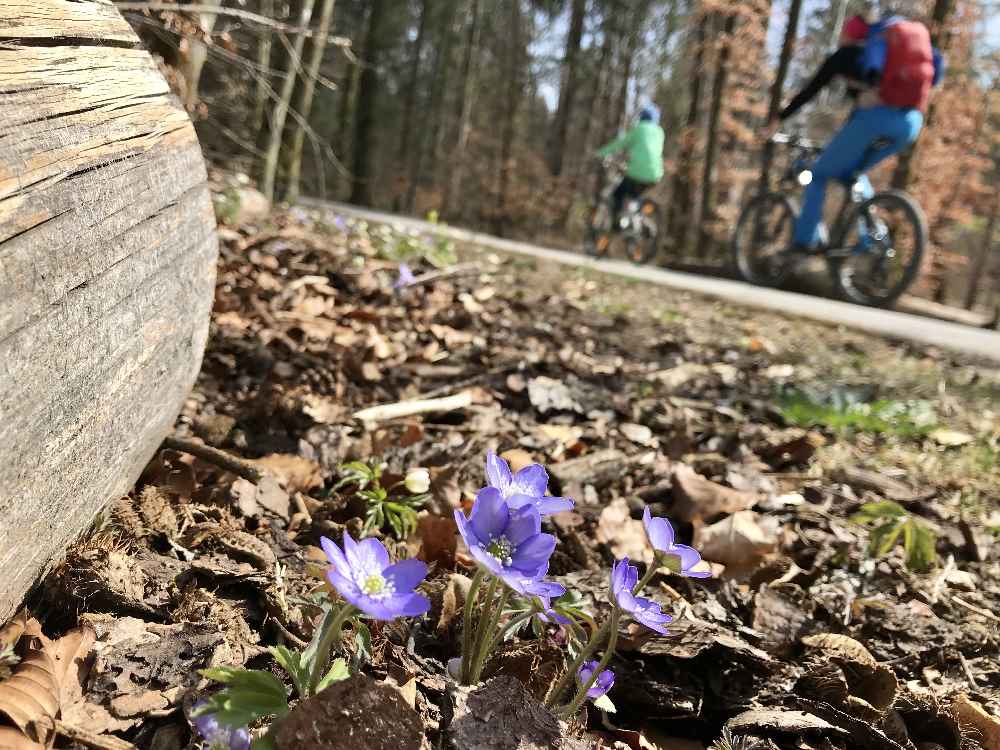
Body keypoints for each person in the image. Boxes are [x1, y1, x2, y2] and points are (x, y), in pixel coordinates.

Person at [763, 14, 943, 252]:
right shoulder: (891, 54)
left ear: (849, 34)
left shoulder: (846, 56)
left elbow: (811, 90)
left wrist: (780, 118)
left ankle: (804, 241)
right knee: (855, 172)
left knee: (818, 175)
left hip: (876, 119)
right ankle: (872, 239)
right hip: (911, 122)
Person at [596, 105, 665, 224]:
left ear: (642, 117)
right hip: (656, 175)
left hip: (636, 172)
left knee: (618, 194)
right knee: (635, 195)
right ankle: (637, 219)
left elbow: (620, 144)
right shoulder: (660, 132)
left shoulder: (639, 129)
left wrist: (601, 153)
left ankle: (618, 223)